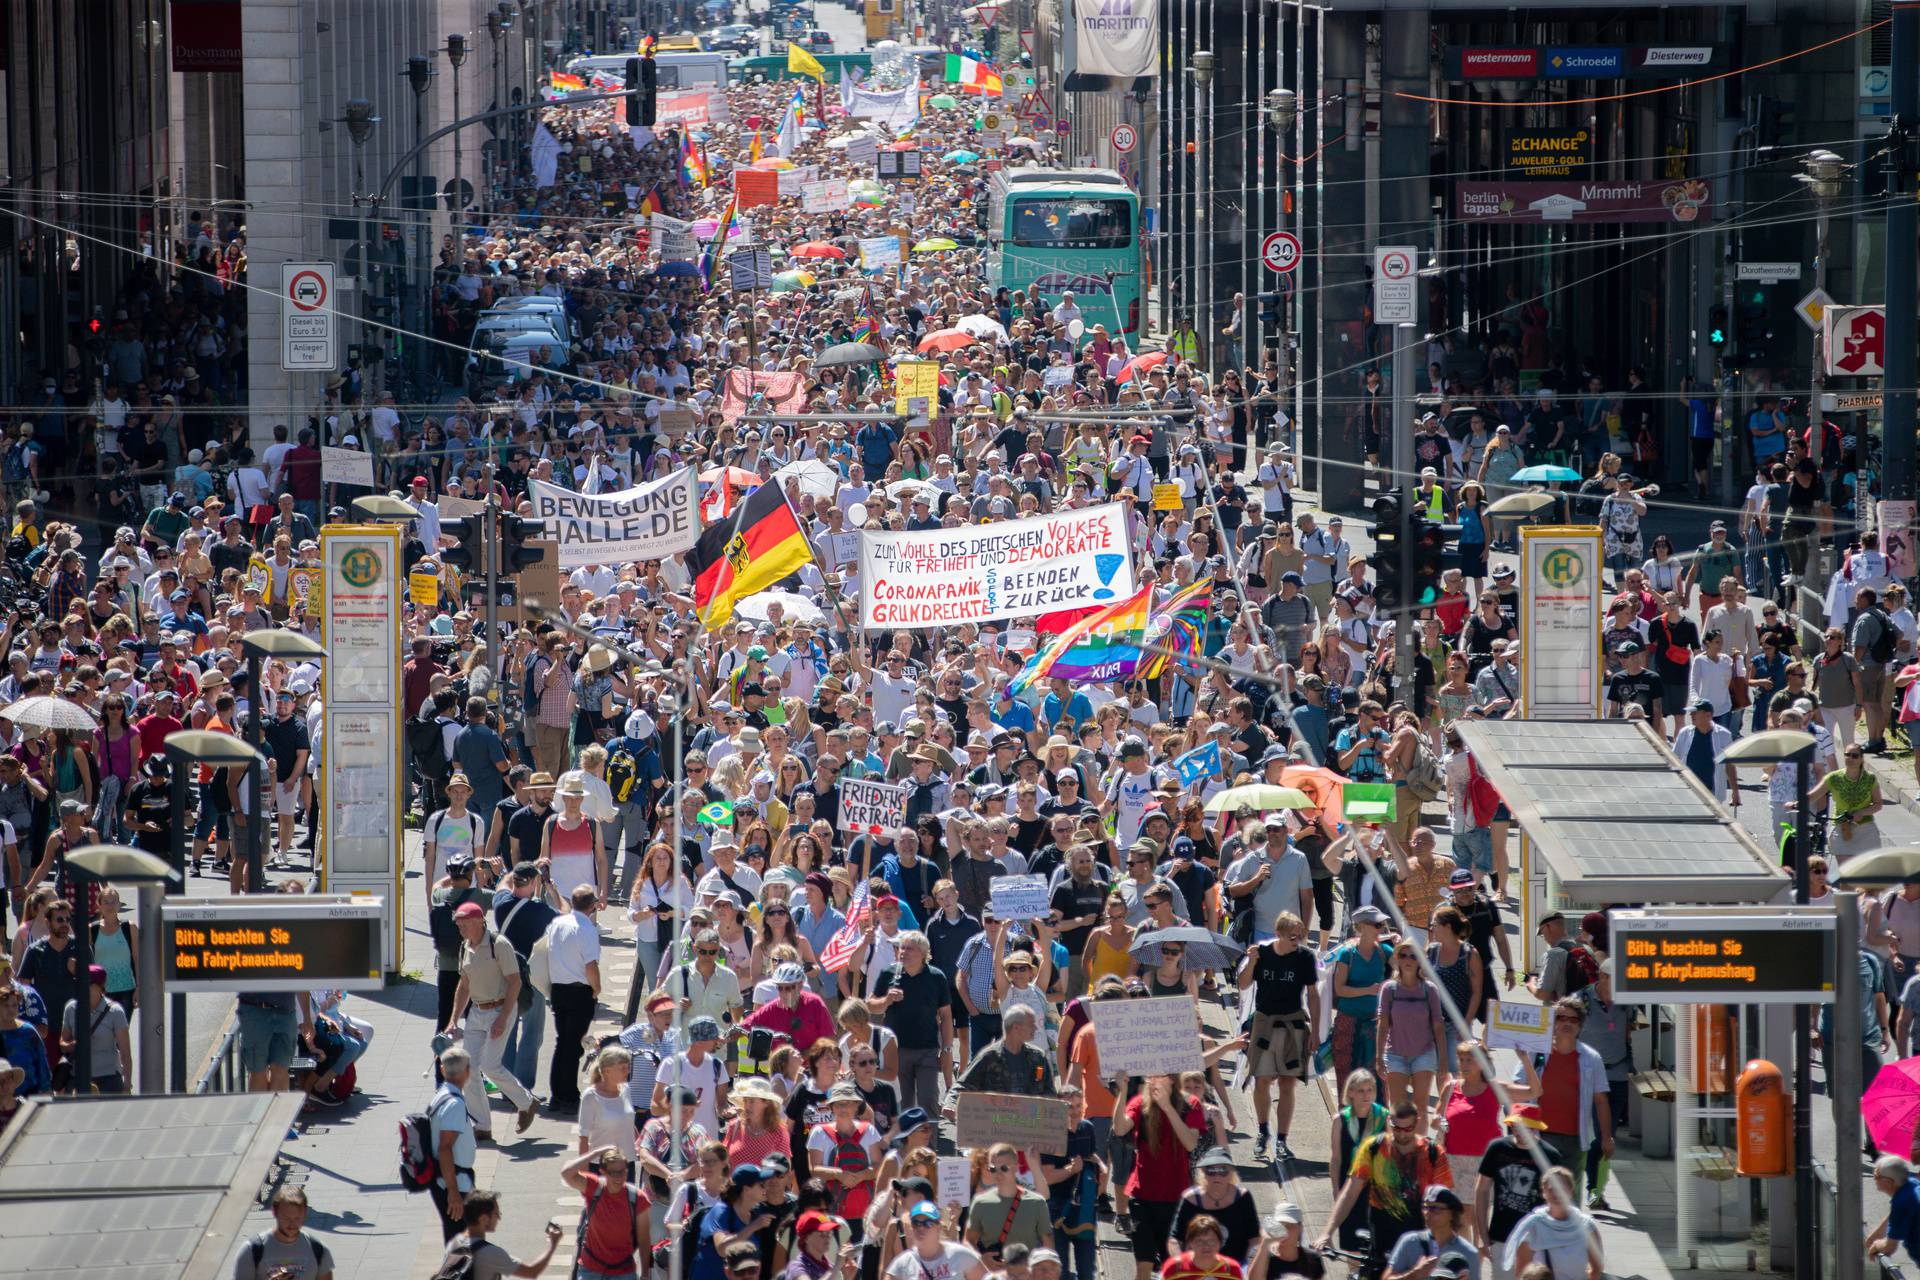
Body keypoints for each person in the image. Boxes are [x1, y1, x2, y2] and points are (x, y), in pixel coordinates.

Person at [1313, 1102, 1450, 1278]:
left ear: (1417, 1123)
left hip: (1418, 1252)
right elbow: (1349, 1193)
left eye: (1408, 1129)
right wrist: (1326, 1233)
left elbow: (1446, 1205)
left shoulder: (1433, 1154)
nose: (1401, 1134)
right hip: (1379, 1249)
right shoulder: (1373, 1149)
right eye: (1396, 1128)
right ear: (1388, 1121)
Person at [1237, 910, 1318, 1161]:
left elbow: (1313, 993)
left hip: (1292, 1022)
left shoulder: (1305, 957)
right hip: (1264, 1022)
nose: (1297, 941)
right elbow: (1243, 985)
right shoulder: (1263, 954)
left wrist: (1315, 1028)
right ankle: (1263, 1132)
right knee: (1261, 1079)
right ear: (1278, 934)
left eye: (1300, 936)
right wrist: (1251, 962)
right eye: (1293, 937)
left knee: (1287, 1082)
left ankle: (1282, 1138)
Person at [545, 883, 604, 1115]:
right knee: (572, 1047)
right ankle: (568, 1096)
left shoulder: (557, 923)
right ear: (592, 906)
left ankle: (557, 1095)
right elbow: (591, 965)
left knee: (563, 1043)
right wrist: (596, 989)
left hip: (558, 989)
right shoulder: (587, 929)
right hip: (579, 991)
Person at [559, 1144, 652, 1279]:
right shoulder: (594, 1187)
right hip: (590, 1270)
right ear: (603, 1171)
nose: (619, 1177)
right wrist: (595, 1153)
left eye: (622, 1171)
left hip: (623, 1272)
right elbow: (566, 1173)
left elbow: (644, 1240)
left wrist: (645, 1273)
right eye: (613, 1172)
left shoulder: (637, 1198)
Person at [1501, 1168, 1602, 1280]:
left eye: (1562, 1188)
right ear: (1543, 1192)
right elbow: (1522, 1272)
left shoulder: (1587, 1226)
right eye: (1551, 1189)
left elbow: (1596, 1269)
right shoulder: (1532, 1226)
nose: (1557, 1193)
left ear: (1571, 1191)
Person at [441, 1189, 566, 1278]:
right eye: (496, 1214)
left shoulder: (455, 1243)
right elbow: (532, 1271)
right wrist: (553, 1244)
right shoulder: (490, 1253)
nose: (499, 1218)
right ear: (483, 1219)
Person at [429, 1045, 481, 1242]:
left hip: (448, 1179)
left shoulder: (441, 1094)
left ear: (442, 1069)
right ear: (467, 1071)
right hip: (454, 1182)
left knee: (457, 1241)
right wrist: (453, 1193)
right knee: (459, 1243)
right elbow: (445, 1147)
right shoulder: (454, 1104)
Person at [1384, 1186, 1479, 1280]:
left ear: (1452, 1214)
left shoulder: (1468, 1253)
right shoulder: (1409, 1242)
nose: (1427, 1213)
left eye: (1435, 1208)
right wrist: (1414, 1274)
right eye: (1425, 1207)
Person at [1869, 1154, 1920, 1266]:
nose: (1874, 1178)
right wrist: (1872, 1238)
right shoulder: (1911, 1183)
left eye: (1877, 1175)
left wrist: (1876, 1245)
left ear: (1888, 1182)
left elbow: (1889, 1247)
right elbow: (1892, 1216)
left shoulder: (1902, 1202)